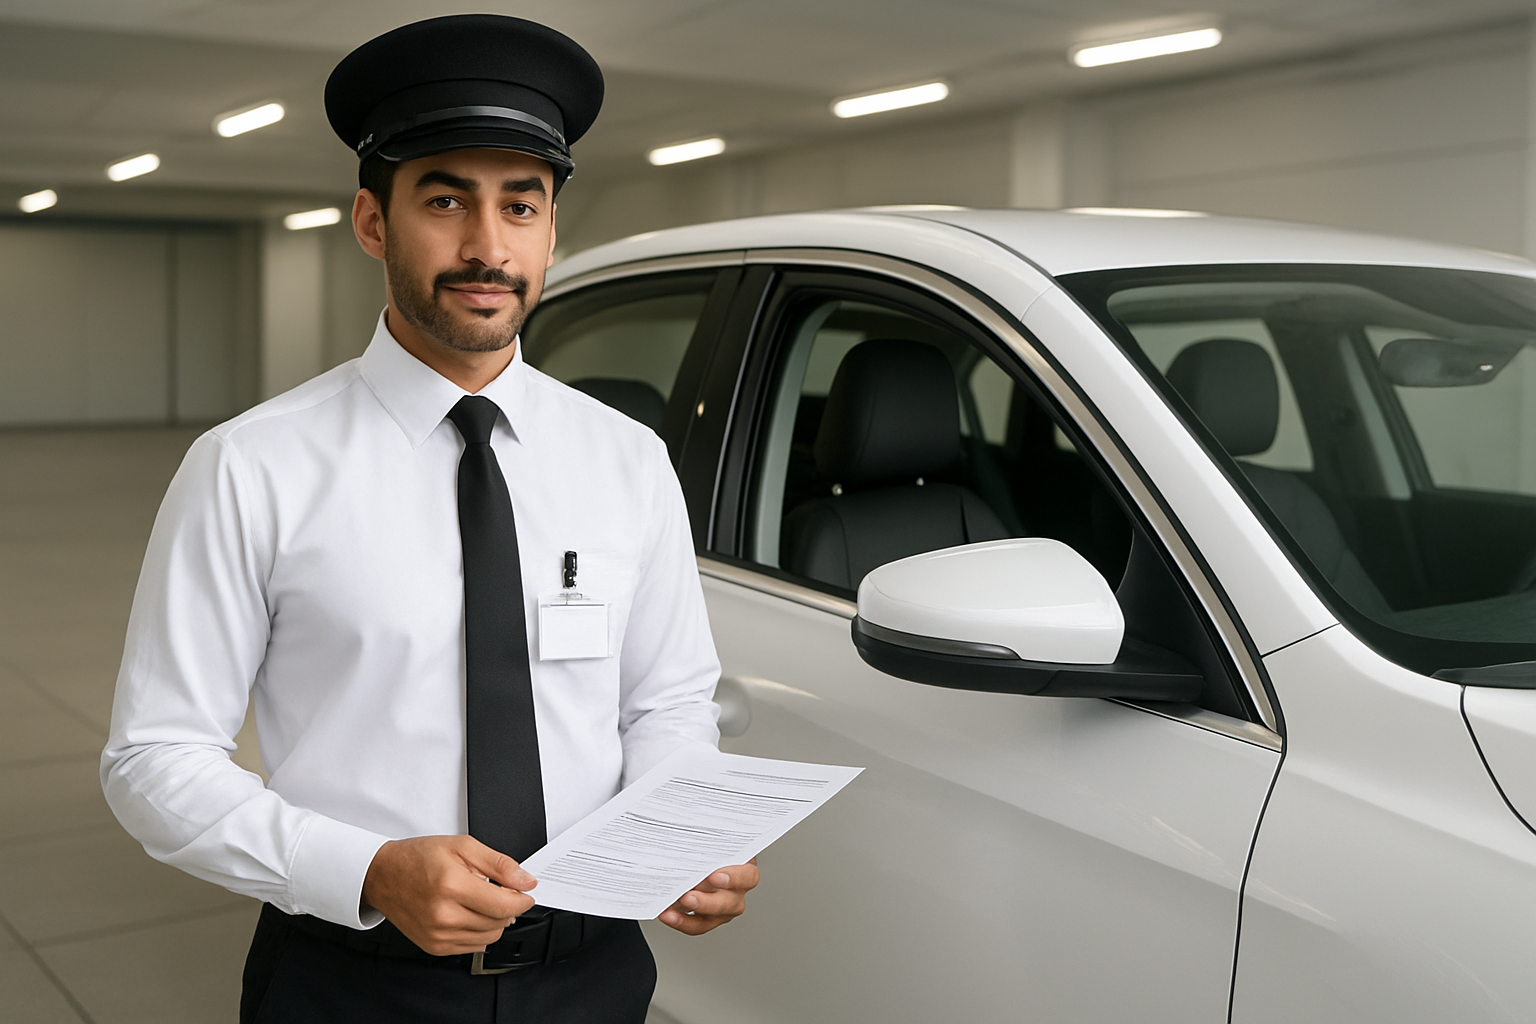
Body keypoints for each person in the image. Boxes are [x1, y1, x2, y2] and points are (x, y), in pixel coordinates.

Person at [100, 14, 757, 1023]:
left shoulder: (627, 458)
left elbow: (664, 702)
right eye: (445, 199)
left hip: (595, 975)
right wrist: (366, 870)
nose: (488, 247)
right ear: (373, 221)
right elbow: (155, 760)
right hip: (350, 981)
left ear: (549, 229)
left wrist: (682, 837)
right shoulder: (251, 465)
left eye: (521, 206)